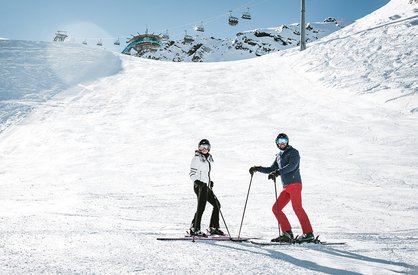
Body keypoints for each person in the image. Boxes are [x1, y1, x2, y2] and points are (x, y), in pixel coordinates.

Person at [249, 133, 314, 243]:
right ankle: (287, 233)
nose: (282, 143)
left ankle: (308, 234)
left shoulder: (294, 152)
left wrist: (278, 172)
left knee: (297, 208)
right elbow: (271, 168)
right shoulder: (279, 156)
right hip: (286, 187)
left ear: (287, 141)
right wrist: (258, 168)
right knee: (276, 208)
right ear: (277, 143)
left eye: (284, 141)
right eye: (280, 141)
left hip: (295, 184)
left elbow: (292, 166)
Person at [189, 139, 224, 237]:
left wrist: (209, 182)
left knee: (217, 205)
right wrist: (198, 182)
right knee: (201, 208)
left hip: (206, 186)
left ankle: (214, 227)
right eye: (202, 147)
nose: (204, 149)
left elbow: (205, 173)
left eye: (206, 147)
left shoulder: (206, 158)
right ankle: (194, 229)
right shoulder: (196, 159)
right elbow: (192, 174)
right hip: (199, 186)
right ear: (198, 148)